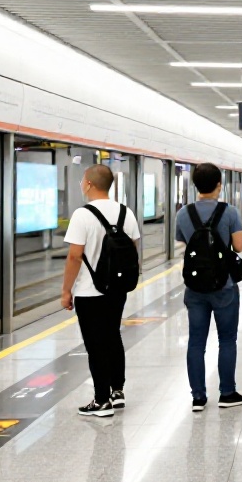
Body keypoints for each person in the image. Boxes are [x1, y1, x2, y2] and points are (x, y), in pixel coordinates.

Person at [61, 164, 140, 417]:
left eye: (83, 180)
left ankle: (101, 400)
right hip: (117, 288)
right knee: (113, 336)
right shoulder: (125, 213)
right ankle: (117, 391)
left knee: (95, 344)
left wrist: (66, 290)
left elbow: (74, 257)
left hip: (88, 290)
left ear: (90, 184)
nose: (81, 184)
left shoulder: (82, 215)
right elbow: (133, 250)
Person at [176, 163, 242, 413]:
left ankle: (198, 397)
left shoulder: (183, 213)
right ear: (220, 184)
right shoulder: (229, 212)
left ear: (195, 185)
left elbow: (184, 244)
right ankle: (227, 393)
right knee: (227, 339)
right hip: (224, 285)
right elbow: (238, 247)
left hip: (195, 287)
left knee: (196, 341)